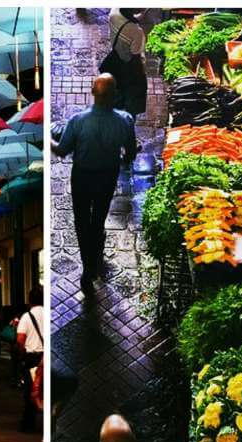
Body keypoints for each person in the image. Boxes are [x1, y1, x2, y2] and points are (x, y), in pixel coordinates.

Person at [51, 73, 137, 292]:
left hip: (82, 176)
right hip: (108, 175)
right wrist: (121, 157)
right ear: (115, 95)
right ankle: (95, 258)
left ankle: (87, 269)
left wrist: (48, 139)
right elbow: (130, 153)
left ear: (92, 93)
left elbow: (62, 150)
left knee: (82, 221)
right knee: (98, 218)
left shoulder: (77, 121)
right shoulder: (125, 120)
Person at [108, 8, 148, 121]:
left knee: (117, 96)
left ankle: (114, 117)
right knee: (132, 102)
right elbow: (136, 57)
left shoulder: (114, 12)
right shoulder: (137, 32)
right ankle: (128, 124)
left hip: (115, 62)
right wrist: (141, 76)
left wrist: (139, 16)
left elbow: (126, 20)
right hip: (129, 69)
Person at [17, 287, 44, 432]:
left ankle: (29, 423)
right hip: (46, 356)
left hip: (32, 358)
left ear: (29, 301)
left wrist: (22, 354)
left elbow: (20, 339)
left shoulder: (27, 317)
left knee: (30, 391)